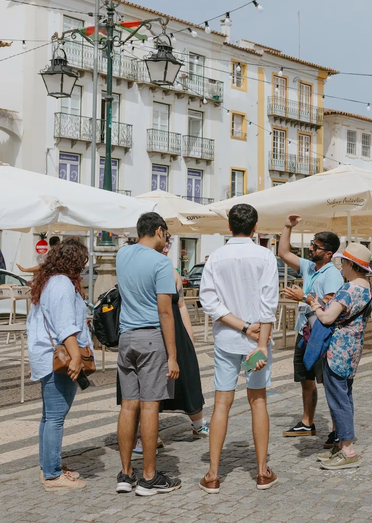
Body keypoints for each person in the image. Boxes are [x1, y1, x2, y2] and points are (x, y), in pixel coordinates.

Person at [198, 204, 278, 493]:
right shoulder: (264, 256)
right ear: (255, 227)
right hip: (256, 341)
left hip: (228, 339)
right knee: (258, 401)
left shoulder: (216, 258)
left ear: (229, 227)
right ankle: (260, 472)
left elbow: (208, 302)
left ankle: (213, 474)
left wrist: (241, 326)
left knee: (222, 403)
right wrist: (259, 342)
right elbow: (269, 305)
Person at [115, 212, 181, 497]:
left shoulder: (122, 255)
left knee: (128, 406)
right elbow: (166, 311)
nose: (167, 238)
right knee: (150, 406)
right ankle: (149, 477)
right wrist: (173, 355)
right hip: (151, 337)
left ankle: (126, 473)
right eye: (166, 233)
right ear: (157, 230)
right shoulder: (161, 263)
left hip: (126, 338)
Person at [27, 239, 91, 491]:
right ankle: (53, 475)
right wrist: (76, 357)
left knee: (48, 417)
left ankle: (48, 467)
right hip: (60, 359)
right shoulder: (62, 284)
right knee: (55, 417)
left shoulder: (48, 282)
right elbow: (65, 326)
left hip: (45, 356)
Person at [278, 215, 344, 448]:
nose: (311, 248)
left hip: (320, 335)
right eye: (311, 244)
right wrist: (288, 227)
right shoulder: (309, 267)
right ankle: (308, 422)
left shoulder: (332, 274)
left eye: (315, 246)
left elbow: (329, 306)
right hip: (303, 332)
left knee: (328, 382)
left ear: (328, 253)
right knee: (306, 380)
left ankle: (338, 429)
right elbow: (284, 253)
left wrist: (302, 297)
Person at [311, 243, 372, 470]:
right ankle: (341, 446)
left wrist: (314, 305)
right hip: (353, 349)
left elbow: (328, 318)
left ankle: (347, 450)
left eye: (342, 263)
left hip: (337, 350)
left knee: (339, 400)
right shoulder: (367, 288)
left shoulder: (349, 289)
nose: (341, 267)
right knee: (345, 397)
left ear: (350, 265)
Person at [160, 236, 207, 436]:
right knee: (152, 384)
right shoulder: (150, 270)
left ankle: (198, 423)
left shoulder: (173, 272)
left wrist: (190, 337)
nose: (166, 250)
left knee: (188, 376)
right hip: (154, 331)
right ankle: (146, 434)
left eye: (167, 246)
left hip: (177, 331)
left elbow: (181, 306)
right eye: (163, 246)